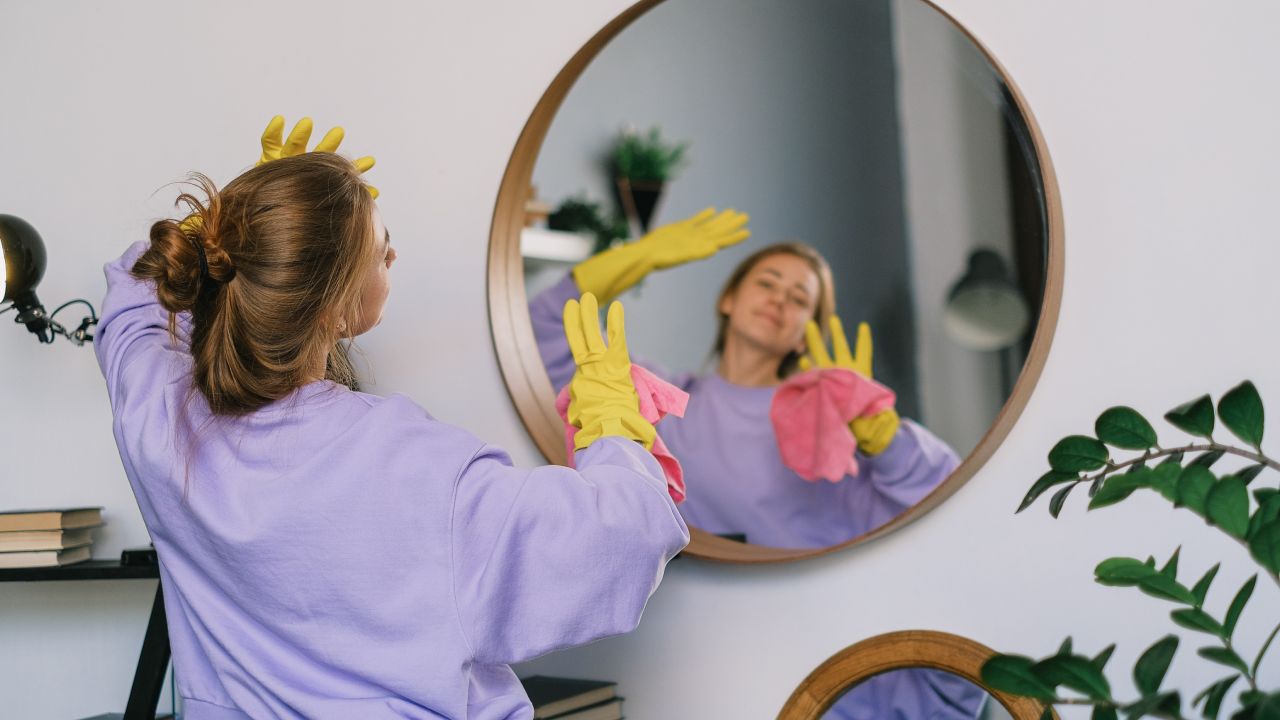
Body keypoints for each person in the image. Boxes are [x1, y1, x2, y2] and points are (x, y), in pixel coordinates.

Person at [95, 118, 688, 719]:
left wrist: (228, 218)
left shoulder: (160, 422)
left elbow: (134, 296)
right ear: (336, 301)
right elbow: (623, 538)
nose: (393, 255)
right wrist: (614, 421)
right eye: (382, 249)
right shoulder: (425, 473)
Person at [529, 212, 983, 719]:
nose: (779, 300)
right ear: (728, 299)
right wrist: (639, 258)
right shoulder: (660, 403)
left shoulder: (825, 428)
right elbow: (537, 331)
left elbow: (947, 502)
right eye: (767, 283)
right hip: (710, 668)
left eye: (799, 299)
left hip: (834, 680)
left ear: (803, 333)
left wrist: (883, 435)